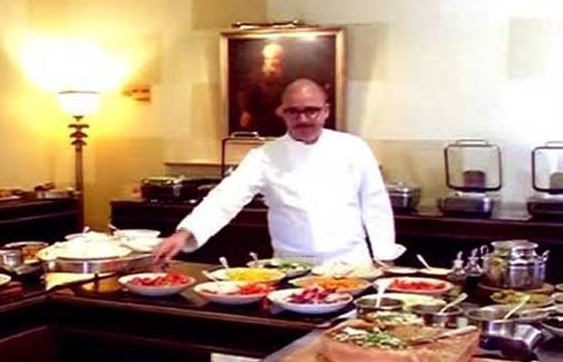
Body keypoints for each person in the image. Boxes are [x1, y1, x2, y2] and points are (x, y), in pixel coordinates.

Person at [153, 78, 401, 265]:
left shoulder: (353, 147)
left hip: (350, 263)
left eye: (311, 110)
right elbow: (225, 199)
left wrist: (385, 256)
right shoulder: (264, 156)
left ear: (326, 111)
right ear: (282, 113)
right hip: (291, 266)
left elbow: (375, 205)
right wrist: (184, 234)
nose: (303, 118)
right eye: (294, 111)